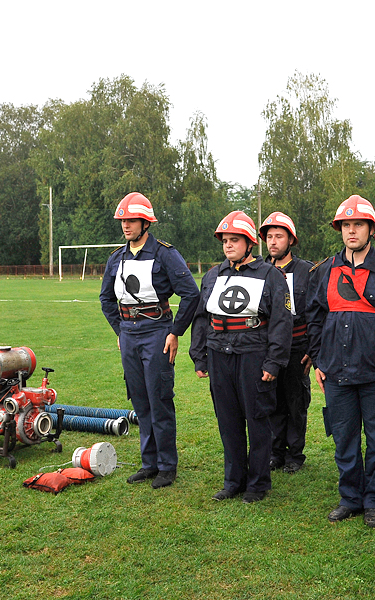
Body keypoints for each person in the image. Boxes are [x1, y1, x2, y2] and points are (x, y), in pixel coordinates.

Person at [307, 195, 375, 528]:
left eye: (358, 225)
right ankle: (350, 498)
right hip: (336, 370)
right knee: (344, 438)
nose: (352, 231)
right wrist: (318, 360)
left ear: (371, 229)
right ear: (340, 229)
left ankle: (374, 500)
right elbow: (313, 318)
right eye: (346, 225)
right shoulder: (324, 270)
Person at [189, 210, 293, 504]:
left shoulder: (271, 276)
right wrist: (199, 356)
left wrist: (273, 362)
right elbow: (201, 317)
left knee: (258, 420)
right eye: (225, 240)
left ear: (249, 244)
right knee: (228, 421)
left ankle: (258, 484)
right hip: (219, 356)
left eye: (235, 240)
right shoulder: (213, 275)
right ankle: (233, 480)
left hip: (254, 356)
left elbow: (282, 322)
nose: (228, 245)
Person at [100, 192, 200, 489]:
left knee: (159, 401)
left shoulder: (166, 254)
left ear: (145, 223)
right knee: (140, 402)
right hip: (129, 335)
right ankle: (149, 463)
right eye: (123, 221)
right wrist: (120, 330)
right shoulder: (116, 258)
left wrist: (175, 332)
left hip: (157, 333)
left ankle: (167, 466)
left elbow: (191, 294)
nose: (126, 226)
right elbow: (106, 298)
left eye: (131, 220)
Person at [260, 212, 314, 474]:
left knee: (295, 401)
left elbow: (318, 312)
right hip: (267, 347)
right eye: (269, 237)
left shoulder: (308, 271)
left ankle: (295, 454)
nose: (273, 242)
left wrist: (314, 350)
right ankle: (275, 452)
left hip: (298, 346)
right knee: (272, 400)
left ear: (290, 240)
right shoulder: (259, 270)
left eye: (278, 236)